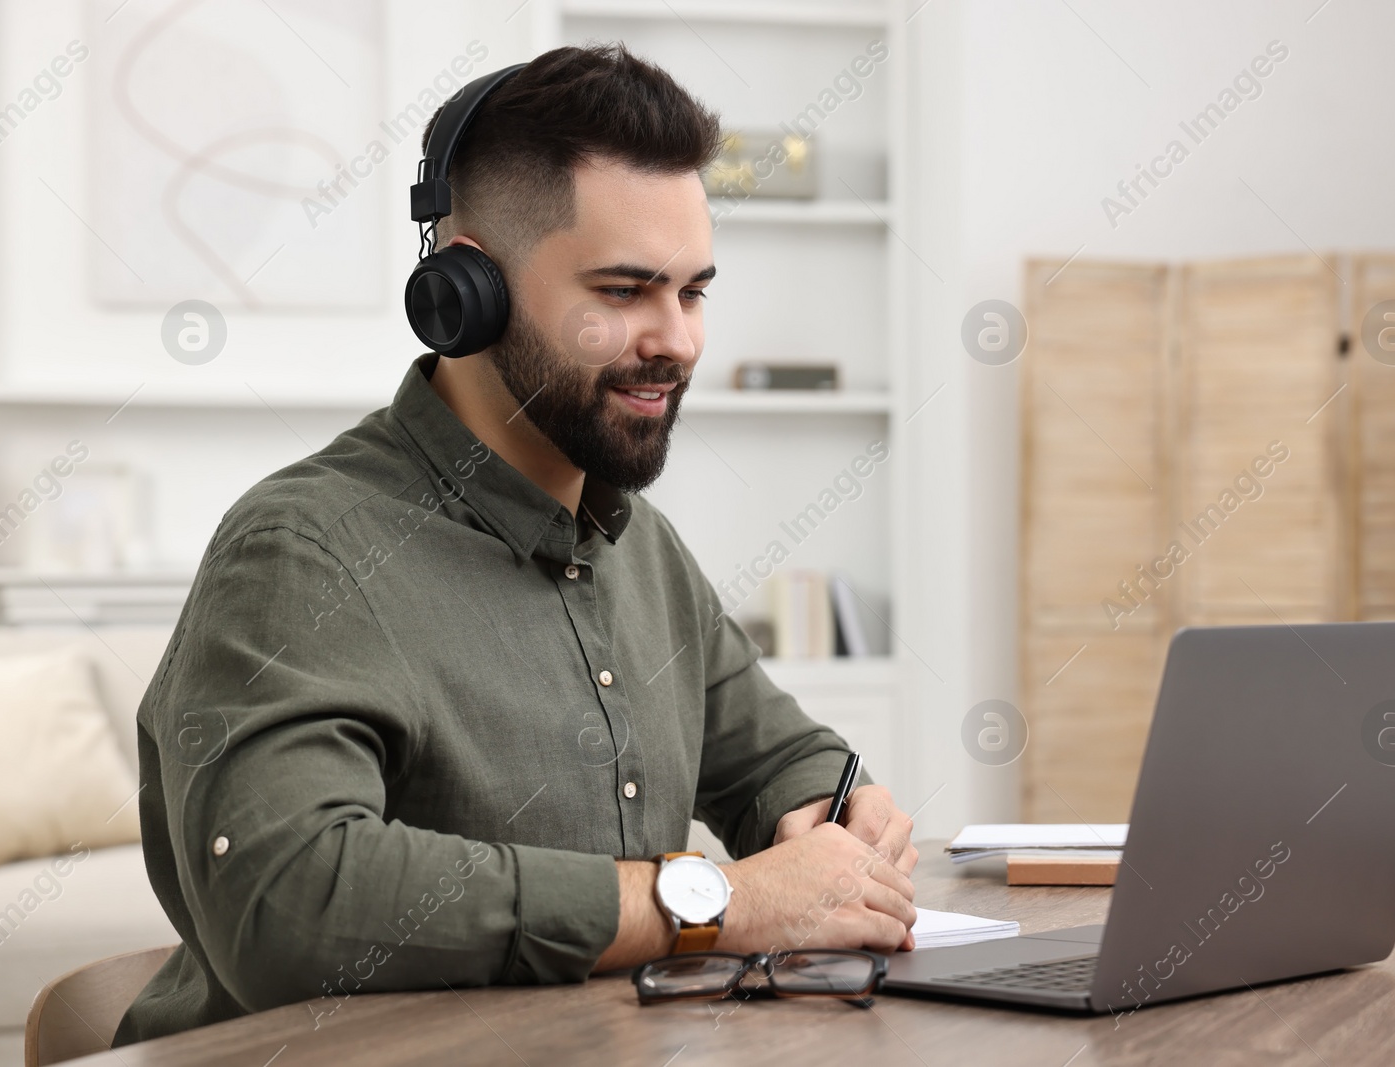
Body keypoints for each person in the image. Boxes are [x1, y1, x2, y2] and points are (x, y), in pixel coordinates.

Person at [115, 44, 917, 1046]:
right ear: (467, 294)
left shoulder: (639, 545)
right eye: (624, 291)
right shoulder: (301, 549)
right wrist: (708, 899)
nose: (679, 339)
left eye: (693, 290)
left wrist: (827, 808)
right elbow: (288, 898)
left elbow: (780, 754)